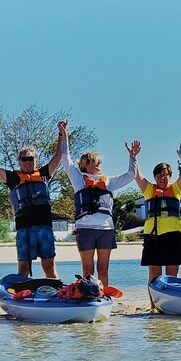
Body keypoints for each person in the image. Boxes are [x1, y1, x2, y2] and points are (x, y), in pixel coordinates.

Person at [0, 129, 62, 278]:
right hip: (24, 229)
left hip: (44, 228)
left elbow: (58, 156)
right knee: (24, 268)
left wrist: (61, 134)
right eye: (24, 159)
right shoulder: (13, 178)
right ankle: (22, 296)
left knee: (49, 266)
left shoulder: (44, 174)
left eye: (30, 158)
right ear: (19, 161)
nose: (27, 161)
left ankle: (55, 294)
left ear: (35, 160)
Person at [61, 120, 140, 287]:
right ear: (85, 165)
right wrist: (64, 136)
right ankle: (88, 295)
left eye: (98, 161)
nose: (98, 163)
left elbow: (131, 175)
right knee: (88, 269)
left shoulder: (109, 182)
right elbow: (66, 159)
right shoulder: (78, 180)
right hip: (86, 229)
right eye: (94, 161)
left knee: (103, 268)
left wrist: (132, 157)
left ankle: (102, 295)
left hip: (106, 229)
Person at [134, 141, 181, 308]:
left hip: (172, 236)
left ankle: (174, 305)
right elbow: (137, 176)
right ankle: (153, 306)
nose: (162, 178)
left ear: (169, 176)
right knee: (154, 274)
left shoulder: (177, 189)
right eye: (159, 175)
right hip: (153, 236)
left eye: (165, 175)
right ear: (155, 177)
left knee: (173, 274)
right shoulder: (149, 190)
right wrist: (133, 157)